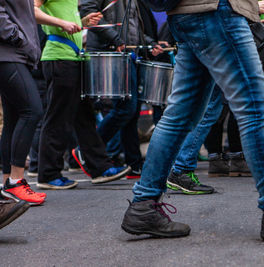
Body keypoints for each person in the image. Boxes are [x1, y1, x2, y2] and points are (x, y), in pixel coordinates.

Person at [121, 0, 264, 241]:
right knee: (254, 106)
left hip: (187, 13)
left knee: (180, 114)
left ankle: (143, 205)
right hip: (217, 10)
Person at [34, 0, 130, 190]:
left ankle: (100, 167)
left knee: (85, 117)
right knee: (57, 118)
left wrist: (83, 22)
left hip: (73, 57)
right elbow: (31, 11)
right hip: (59, 58)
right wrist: (62, 24)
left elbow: (67, 19)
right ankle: (48, 174)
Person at [80, 0, 165, 179]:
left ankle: (133, 164)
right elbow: (89, 14)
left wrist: (150, 44)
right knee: (125, 109)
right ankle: (86, 150)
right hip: (112, 50)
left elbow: (132, 29)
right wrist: (115, 39)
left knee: (131, 111)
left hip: (127, 52)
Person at [0, 0, 46, 205]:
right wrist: (18, 38)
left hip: (16, 55)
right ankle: (15, 182)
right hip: (8, 54)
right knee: (32, 111)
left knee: (14, 118)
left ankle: (7, 183)